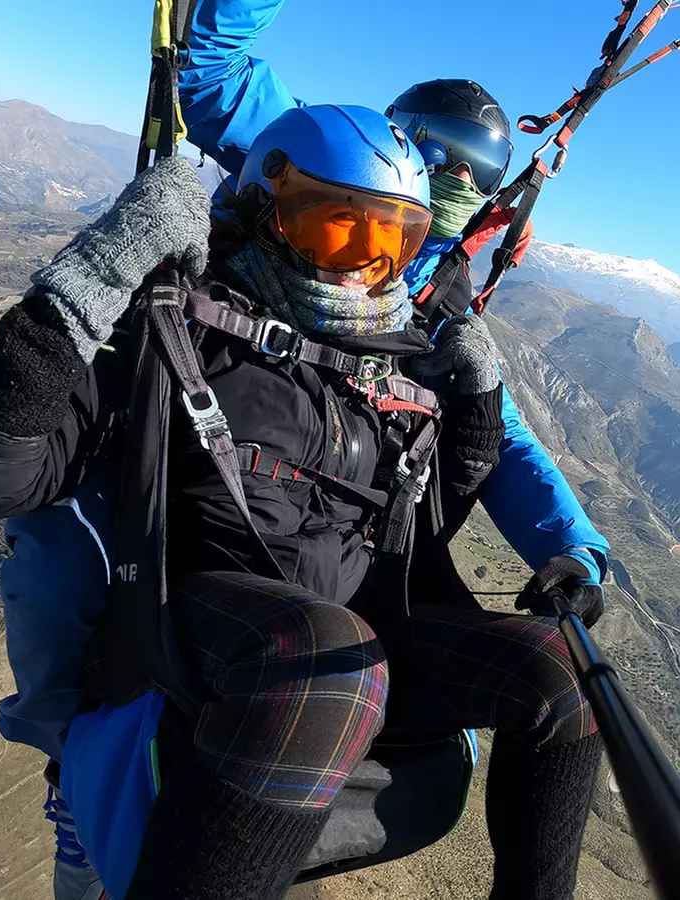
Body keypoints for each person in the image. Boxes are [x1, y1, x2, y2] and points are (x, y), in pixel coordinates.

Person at [0, 105, 603, 900]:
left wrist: (475, 413)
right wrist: (93, 282)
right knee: (328, 659)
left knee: (565, 667)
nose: (367, 265)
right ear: (269, 211)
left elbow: (415, 537)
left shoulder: (394, 369)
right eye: (341, 229)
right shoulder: (175, 331)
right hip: (198, 615)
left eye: (393, 241)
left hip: (349, 630)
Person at [179, 0, 609, 600]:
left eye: (482, 170)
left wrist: (573, 550)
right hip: (226, 452)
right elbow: (209, 74)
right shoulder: (326, 161)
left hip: (335, 520)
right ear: (403, 139)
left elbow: (506, 435)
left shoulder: (439, 291)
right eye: (446, 153)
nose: (460, 179)